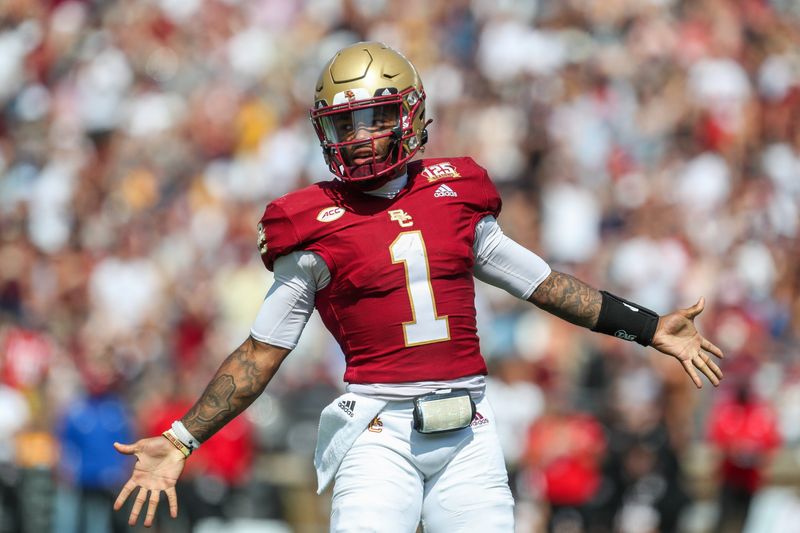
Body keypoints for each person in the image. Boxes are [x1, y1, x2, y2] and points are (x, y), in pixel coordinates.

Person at [112, 42, 724, 532]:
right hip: (377, 434)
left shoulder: (455, 194)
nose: (359, 137)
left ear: (409, 115)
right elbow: (261, 352)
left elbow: (542, 284)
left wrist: (646, 326)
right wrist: (181, 438)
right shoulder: (311, 224)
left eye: (374, 118)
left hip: (469, 432)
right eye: (345, 124)